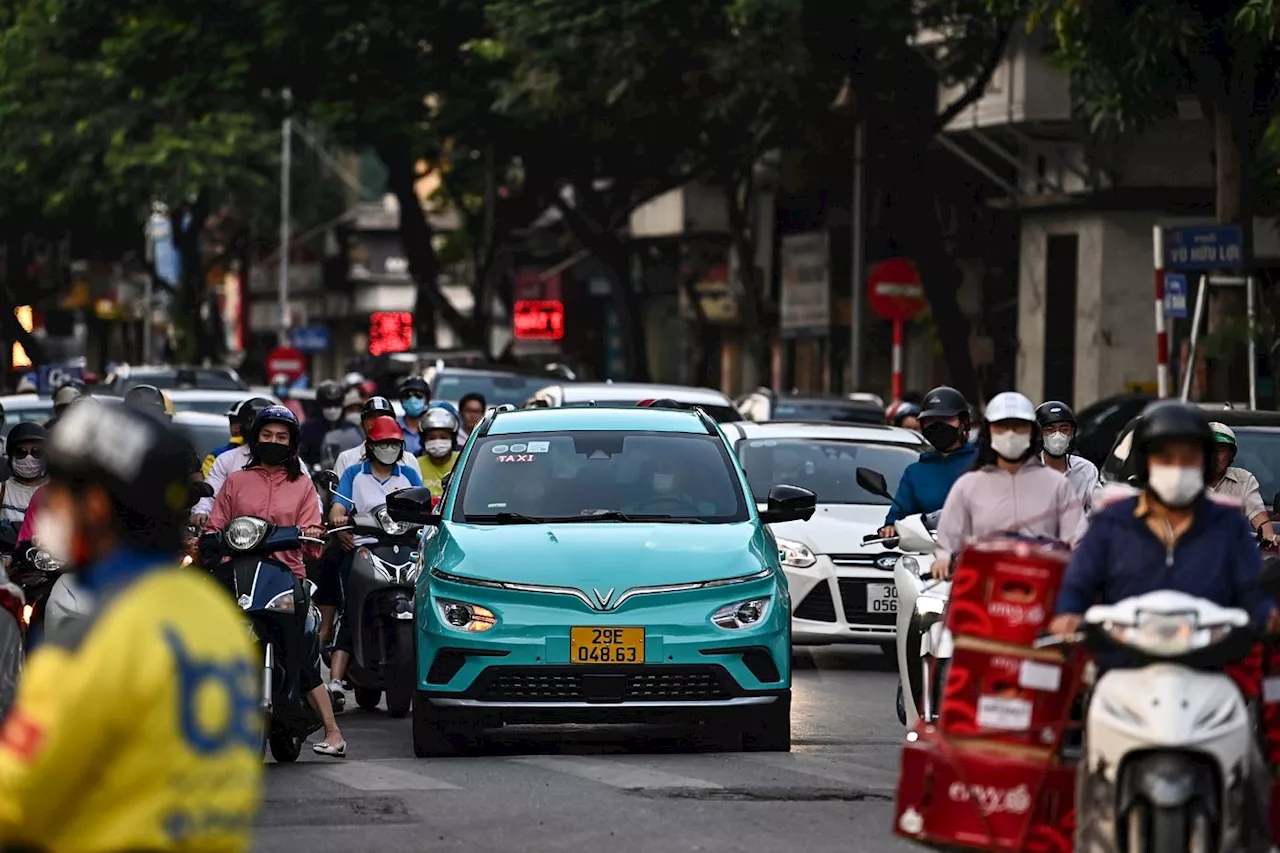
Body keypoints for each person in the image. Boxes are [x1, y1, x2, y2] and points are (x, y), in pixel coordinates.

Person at [0, 401, 262, 852]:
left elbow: (18, 792)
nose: (52, 508)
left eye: (63, 493)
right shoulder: (213, 613)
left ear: (97, 507)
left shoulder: (97, 631)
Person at [204, 405, 346, 757]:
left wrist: (312, 533)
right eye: (266, 435)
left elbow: (312, 539)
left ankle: (333, 731)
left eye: (281, 437)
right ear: (254, 439)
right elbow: (215, 525)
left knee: (299, 650)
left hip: (285, 576)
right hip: (237, 576)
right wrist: (209, 539)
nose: (273, 441)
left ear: (292, 443)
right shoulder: (236, 481)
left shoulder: (302, 484)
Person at [932, 391, 1086, 579]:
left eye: (1019, 427)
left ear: (1031, 432)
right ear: (989, 431)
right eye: (1002, 427)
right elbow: (948, 541)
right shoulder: (968, 486)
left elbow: (1078, 539)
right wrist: (943, 559)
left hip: (1041, 587)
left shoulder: (1057, 485)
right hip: (982, 588)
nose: (1011, 434)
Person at [325, 417, 423, 701]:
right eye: (382, 443)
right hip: (364, 548)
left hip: (405, 547)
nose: (388, 448)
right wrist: (340, 518)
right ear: (370, 445)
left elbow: (424, 506)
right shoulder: (354, 474)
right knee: (351, 608)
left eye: (394, 443)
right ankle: (335, 680)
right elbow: (337, 508)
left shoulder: (408, 475)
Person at [877, 386, 978, 538]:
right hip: (927, 554)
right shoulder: (915, 472)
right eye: (930, 420)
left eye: (946, 419)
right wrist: (890, 527)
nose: (938, 425)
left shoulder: (982, 464)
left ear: (963, 423)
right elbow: (899, 516)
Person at [190, 396, 276, 525]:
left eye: (279, 435)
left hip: (280, 534)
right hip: (234, 533)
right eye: (262, 433)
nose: (268, 439)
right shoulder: (226, 459)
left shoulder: (294, 462)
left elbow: (309, 498)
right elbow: (211, 492)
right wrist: (201, 512)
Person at [1205, 421, 1276, 541]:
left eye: (1220, 450)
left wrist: (1270, 538)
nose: (1214, 456)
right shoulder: (1184, 480)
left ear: (1231, 454)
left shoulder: (1243, 480)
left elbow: (1259, 517)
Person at [123, 385, 202, 481]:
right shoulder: (114, 441)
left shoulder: (178, 445)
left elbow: (195, 477)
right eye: (143, 413)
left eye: (154, 413)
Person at [1036, 400, 1100, 513]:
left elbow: (1100, 509)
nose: (1057, 436)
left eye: (1064, 429)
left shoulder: (1086, 470)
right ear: (1039, 434)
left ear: (1072, 433)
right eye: (1049, 430)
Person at [334, 396, 414, 478]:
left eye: (383, 416)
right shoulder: (346, 459)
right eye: (370, 417)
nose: (377, 421)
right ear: (362, 424)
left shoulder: (408, 460)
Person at [0, 423, 47, 527]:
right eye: (21, 452)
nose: (29, 458)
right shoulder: (3, 491)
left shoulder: (57, 493)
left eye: (37, 452)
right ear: (11, 455)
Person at [299, 380, 348, 467]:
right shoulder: (307, 429)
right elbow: (301, 456)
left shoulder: (350, 428)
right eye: (328, 405)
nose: (332, 410)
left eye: (336, 405)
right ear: (320, 405)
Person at [418, 406, 461, 498]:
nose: (437, 442)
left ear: (452, 438)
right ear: (424, 440)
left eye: (443, 437)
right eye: (432, 438)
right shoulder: (416, 464)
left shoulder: (462, 461)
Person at [321, 388, 368, 471]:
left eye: (358, 409)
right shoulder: (331, 436)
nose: (355, 413)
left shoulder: (367, 433)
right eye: (351, 409)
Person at [202, 399, 250, 478]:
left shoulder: (268, 455)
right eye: (232, 421)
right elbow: (210, 488)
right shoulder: (217, 456)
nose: (236, 428)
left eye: (242, 422)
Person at [396, 376, 431, 456]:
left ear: (427, 400)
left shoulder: (433, 427)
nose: (412, 399)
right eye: (407, 395)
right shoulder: (393, 428)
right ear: (401, 400)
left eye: (418, 395)